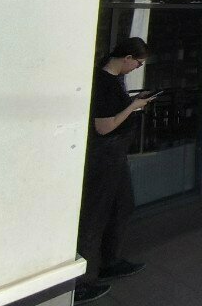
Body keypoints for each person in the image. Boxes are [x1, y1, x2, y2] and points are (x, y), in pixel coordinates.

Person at [75, 38, 153, 304]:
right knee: (95, 216)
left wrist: (133, 102)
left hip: (115, 155)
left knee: (123, 206)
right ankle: (81, 282)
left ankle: (109, 261)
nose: (137, 68)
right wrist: (133, 106)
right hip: (104, 156)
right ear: (127, 57)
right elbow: (104, 126)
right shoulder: (103, 82)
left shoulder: (115, 80)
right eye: (138, 63)